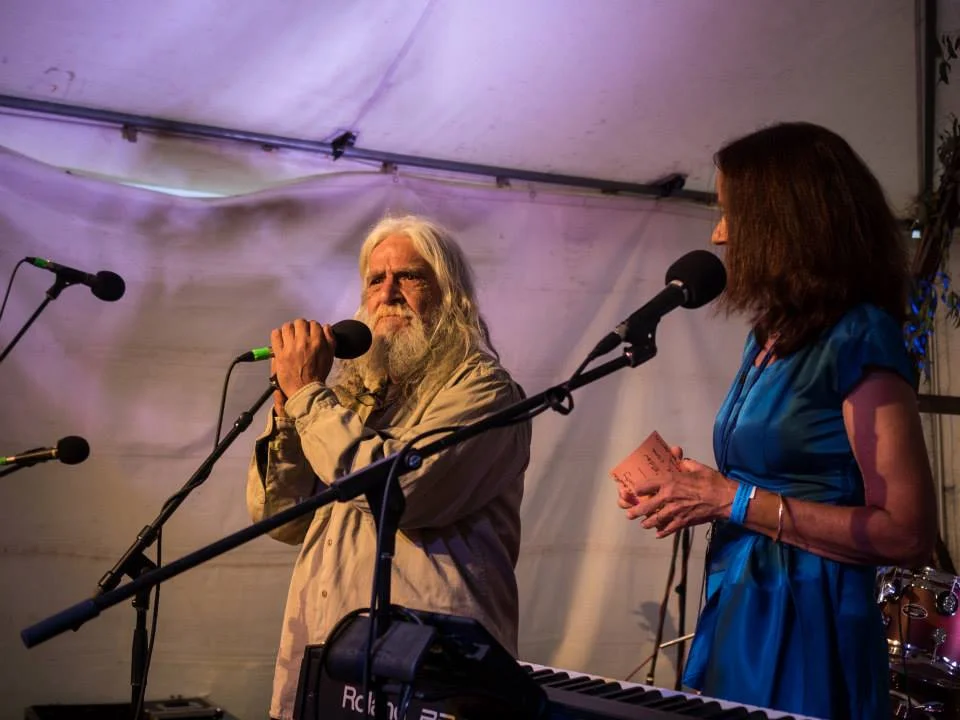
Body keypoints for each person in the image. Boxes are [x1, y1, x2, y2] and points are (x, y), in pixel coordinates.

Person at [616, 122, 937, 718]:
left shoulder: (859, 336)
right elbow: (762, 481)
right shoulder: (768, 335)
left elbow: (906, 531)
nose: (718, 234)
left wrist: (728, 498)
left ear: (784, 223)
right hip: (745, 599)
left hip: (811, 619)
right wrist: (690, 487)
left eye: (730, 214)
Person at [247, 215, 531, 720]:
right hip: (330, 659)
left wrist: (308, 397)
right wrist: (288, 413)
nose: (389, 293)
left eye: (410, 276)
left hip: (430, 670)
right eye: (375, 279)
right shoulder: (351, 395)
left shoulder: (486, 390)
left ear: (450, 293)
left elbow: (401, 492)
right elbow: (281, 517)